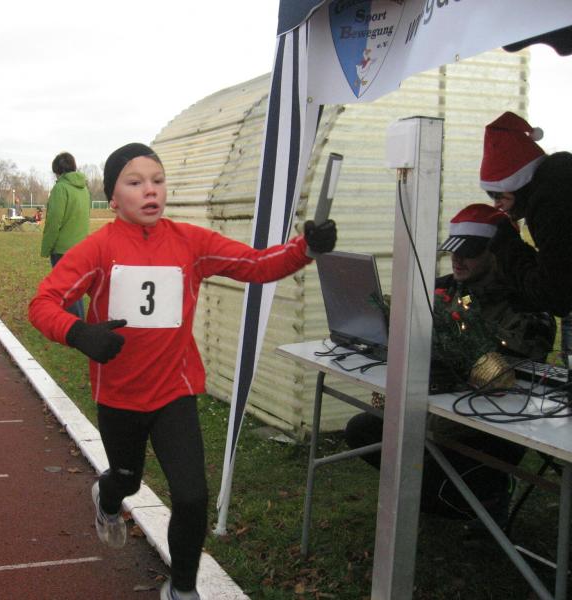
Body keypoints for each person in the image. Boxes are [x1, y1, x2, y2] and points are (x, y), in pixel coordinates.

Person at [28, 143, 337, 600]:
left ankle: (183, 589)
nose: (150, 190)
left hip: (175, 390)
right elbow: (42, 303)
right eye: (135, 182)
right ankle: (107, 499)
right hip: (120, 395)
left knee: (192, 496)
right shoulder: (98, 248)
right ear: (113, 198)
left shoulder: (190, 242)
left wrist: (305, 248)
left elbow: (255, 265)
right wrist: (79, 332)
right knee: (127, 479)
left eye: (158, 180)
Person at [345, 203, 555, 526]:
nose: (457, 260)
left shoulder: (526, 304)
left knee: (427, 487)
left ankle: (488, 494)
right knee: (363, 430)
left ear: (497, 254)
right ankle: (447, 488)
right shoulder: (446, 289)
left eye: (468, 253)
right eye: (454, 251)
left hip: (489, 427)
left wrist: (452, 336)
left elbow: (513, 367)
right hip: (438, 413)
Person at [481, 111, 572, 318]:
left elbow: (554, 295)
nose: (496, 204)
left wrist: (507, 245)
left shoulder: (550, 205)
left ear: (518, 184)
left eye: (497, 194)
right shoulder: (558, 187)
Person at [40, 152, 91, 319]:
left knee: (65, 290)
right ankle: (78, 321)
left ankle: (73, 325)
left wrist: (46, 248)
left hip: (63, 249)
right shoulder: (84, 189)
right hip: (81, 247)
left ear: (58, 170)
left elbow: (54, 222)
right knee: (75, 288)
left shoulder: (60, 188)